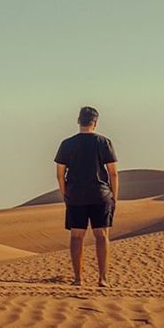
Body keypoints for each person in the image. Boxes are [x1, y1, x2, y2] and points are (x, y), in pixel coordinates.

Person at [54, 106, 119, 287]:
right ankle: (103, 279)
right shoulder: (103, 142)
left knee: (76, 236)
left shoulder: (67, 144)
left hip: (75, 195)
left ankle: (78, 279)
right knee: (102, 235)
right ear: (95, 123)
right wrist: (115, 197)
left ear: (78, 121)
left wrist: (65, 194)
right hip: (100, 194)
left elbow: (60, 174)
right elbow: (113, 173)